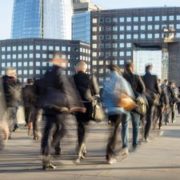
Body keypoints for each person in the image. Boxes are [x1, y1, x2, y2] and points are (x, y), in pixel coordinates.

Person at [102, 64, 134, 164]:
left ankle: (110, 153)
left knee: (112, 131)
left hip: (109, 110)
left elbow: (103, 95)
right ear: (117, 70)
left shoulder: (107, 81)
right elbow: (129, 93)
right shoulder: (121, 79)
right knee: (115, 132)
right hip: (118, 109)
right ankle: (110, 155)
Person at [73, 61, 99, 163]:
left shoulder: (72, 78)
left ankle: (81, 147)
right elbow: (97, 92)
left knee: (80, 126)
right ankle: (81, 148)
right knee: (84, 127)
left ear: (77, 68)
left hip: (76, 106)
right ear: (85, 69)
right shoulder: (91, 77)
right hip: (88, 105)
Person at [123, 62, 145, 150]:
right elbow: (143, 88)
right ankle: (135, 144)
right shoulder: (137, 77)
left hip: (125, 103)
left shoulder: (122, 77)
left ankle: (125, 145)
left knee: (125, 125)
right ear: (132, 67)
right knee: (135, 125)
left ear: (125, 68)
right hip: (135, 103)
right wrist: (138, 95)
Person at [142, 64, 160, 142]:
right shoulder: (154, 77)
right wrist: (157, 93)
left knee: (142, 115)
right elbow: (158, 89)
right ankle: (146, 136)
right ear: (151, 69)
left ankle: (142, 127)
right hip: (151, 99)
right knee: (149, 117)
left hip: (142, 99)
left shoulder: (141, 77)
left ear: (145, 69)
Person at [2, 67, 21, 137]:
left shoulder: (3, 79)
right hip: (11, 102)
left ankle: (8, 132)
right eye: (13, 72)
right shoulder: (13, 80)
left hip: (9, 102)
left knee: (8, 118)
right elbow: (16, 92)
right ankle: (8, 132)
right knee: (10, 118)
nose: (15, 73)